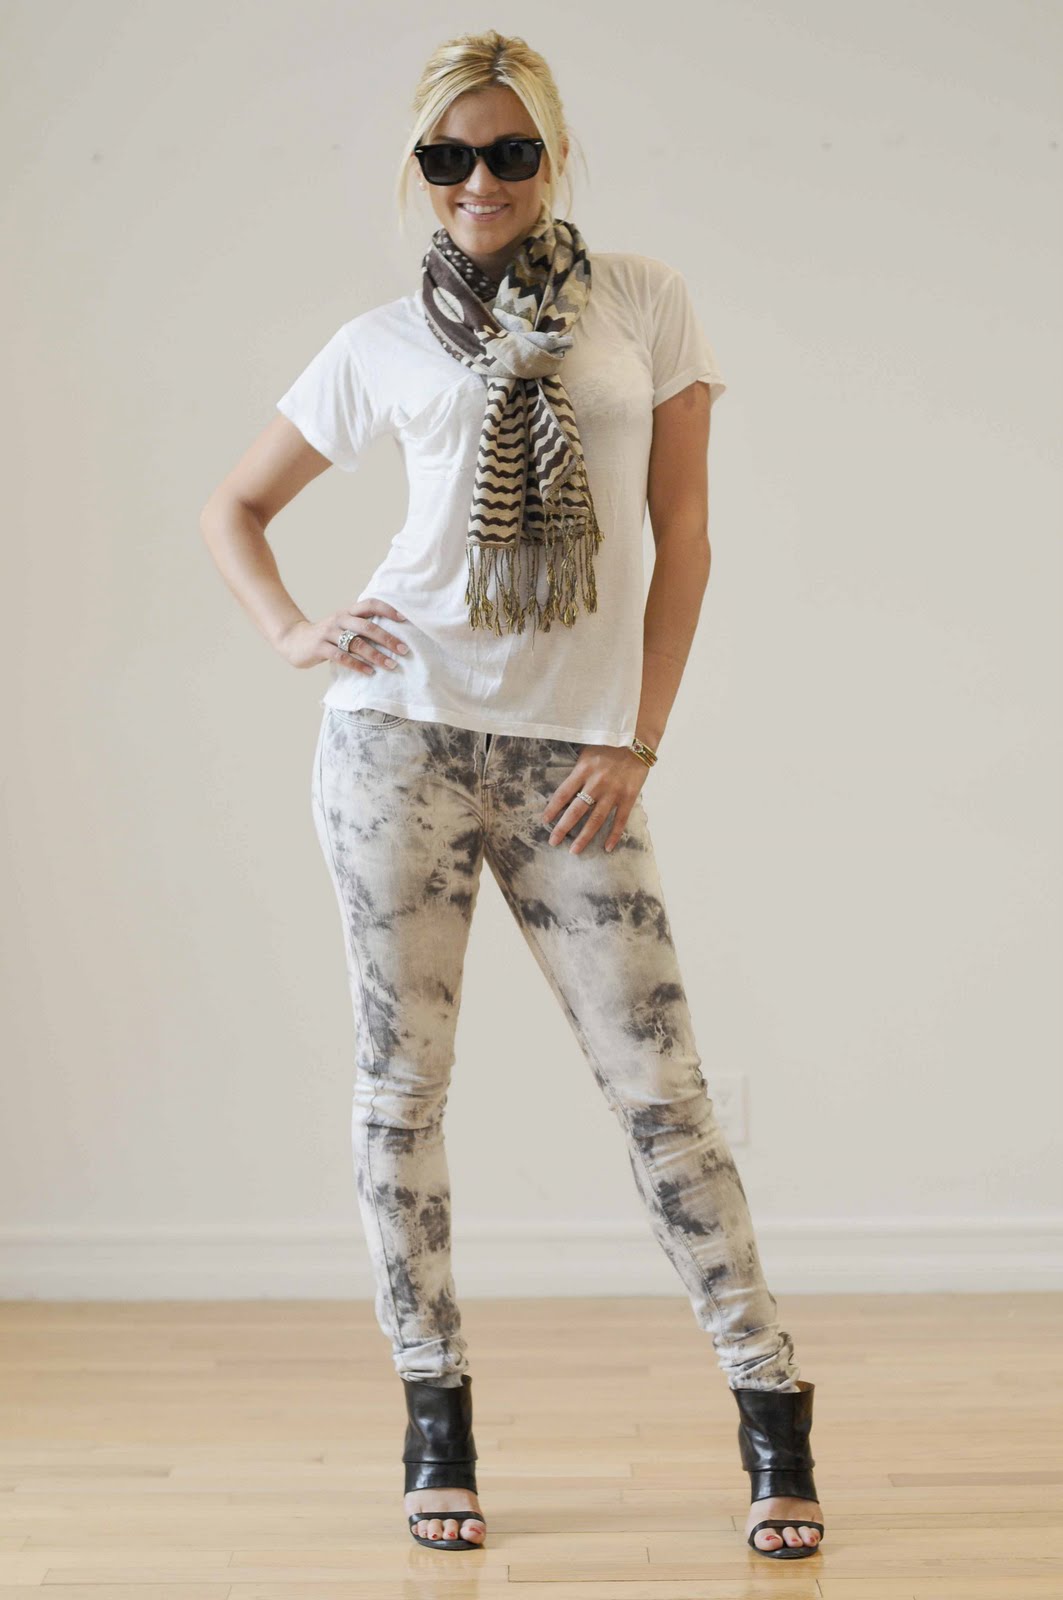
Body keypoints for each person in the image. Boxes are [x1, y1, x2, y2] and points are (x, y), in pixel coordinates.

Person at [200, 26, 825, 1564]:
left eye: (507, 152)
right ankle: (436, 1416)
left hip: (573, 762)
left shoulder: (641, 305)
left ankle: (772, 1414)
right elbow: (237, 506)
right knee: (402, 1090)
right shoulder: (378, 342)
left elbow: (683, 535)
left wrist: (637, 737)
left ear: (552, 152)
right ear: (419, 170)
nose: (477, 182)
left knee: (660, 1089)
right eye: (447, 157)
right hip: (394, 743)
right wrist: (294, 632)